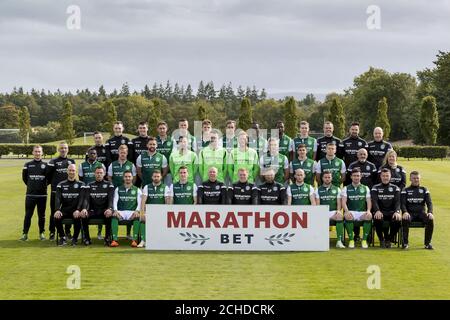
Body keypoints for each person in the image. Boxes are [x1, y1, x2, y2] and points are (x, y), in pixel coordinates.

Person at [47, 142, 76, 240]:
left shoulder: (71, 161)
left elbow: (73, 175)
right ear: (58, 150)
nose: (63, 150)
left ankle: (67, 231)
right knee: (54, 212)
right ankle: (52, 231)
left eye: (65, 148)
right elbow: (48, 176)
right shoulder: (53, 161)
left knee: (69, 211)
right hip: (56, 192)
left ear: (68, 149)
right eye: (62, 148)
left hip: (69, 193)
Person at [20, 145, 49, 241]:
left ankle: (42, 233)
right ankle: (25, 234)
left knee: (42, 215)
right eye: (36, 151)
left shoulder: (46, 165)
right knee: (28, 215)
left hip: (42, 195)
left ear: (42, 153)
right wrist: (31, 186)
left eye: (39, 151)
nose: (37, 153)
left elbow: (48, 179)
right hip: (30, 195)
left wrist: (42, 186)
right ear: (33, 153)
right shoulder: (27, 164)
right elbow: (25, 178)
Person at [53, 164, 86, 246]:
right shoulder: (61, 184)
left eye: (73, 170)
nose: (71, 172)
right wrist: (57, 210)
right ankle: (62, 237)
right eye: (70, 170)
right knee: (56, 217)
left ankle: (74, 239)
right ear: (67, 171)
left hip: (75, 210)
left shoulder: (81, 184)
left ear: (76, 172)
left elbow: (82, 199)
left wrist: (78, 210)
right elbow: (57, 199)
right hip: (65, 210)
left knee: (77, 217)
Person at [401, 171, 434, 250]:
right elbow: (403, 204)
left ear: (420, 179)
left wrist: (430, 212)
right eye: (414, 178)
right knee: (405, 219)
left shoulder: (424, 190)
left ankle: (427, 243)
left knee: (430, 219)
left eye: (417, 178)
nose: (416, 180)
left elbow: (429, 203)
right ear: (410, 179)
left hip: (421, 213)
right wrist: (405, 212)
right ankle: (405, 243)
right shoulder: (405, 190)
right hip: (410, 213)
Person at [341, 168, 372, 249]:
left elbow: (368, 201)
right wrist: (346, 211)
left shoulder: (365, 188)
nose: (356, 177)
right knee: (348, 216)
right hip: (351, 211)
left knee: (369, 216)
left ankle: (364, 240)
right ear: (351, 177)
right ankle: (351, 240)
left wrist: (368, 211)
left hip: (362, 212)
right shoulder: (346, 188)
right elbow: (343, 202)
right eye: (354, 176)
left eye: (358, 176)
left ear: (361, 176)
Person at [83, 166, 115, 246]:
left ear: (104, 174)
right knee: (84, 215)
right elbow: (86, 199)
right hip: (93, 210)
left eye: (101, 173)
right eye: (97, 173)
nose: (99, 174)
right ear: (94, 174)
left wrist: (110, 209)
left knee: (109, 215)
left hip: (104, 210)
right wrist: (84, 209)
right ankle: (87, 238)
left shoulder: (109, 185)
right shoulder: (89, 185)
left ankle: (107, 238)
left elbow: (111, 199)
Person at [371, 168, 402, 248]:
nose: (385, 178)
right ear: (380, 177)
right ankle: (381, 240)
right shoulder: (375, 187)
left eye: (387, 176)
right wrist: (377, 211)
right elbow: (374, 201)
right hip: (380, 212)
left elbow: (397, 202)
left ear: (390, 176)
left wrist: (397, 211)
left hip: (392, 212)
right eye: (383, 176)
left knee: (397, 220)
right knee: (377, 219)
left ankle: (389, 239)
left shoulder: (396, 188)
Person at [110, 171, 142, 247]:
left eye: (129, 176)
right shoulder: (118, 189)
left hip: (132, 212)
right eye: (126, 177)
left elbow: (140, 203)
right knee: (114, 216)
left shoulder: (137, 190)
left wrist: (137, 211)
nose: (128, 178)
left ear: (132, 178)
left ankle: (134, 240)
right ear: (123, 178)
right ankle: (114, 240)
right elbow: (115, 200)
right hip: (121, 211)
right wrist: (115, 210)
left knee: (137, 217)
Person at [140, 170, 170, 248]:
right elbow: (143, 201)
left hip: (161, 212)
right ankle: (143, 240)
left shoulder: (165, 187)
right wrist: (142, 213)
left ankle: (161, 240)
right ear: (152, 177)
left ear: (161, 177)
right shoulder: (147, 187)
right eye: (154, 176)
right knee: (143, 219)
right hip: (149, 212)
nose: (156, 178)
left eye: (158, 176)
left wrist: (166, 213)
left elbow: (167, 202)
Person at [315, 171, 345, 248]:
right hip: (322, 212)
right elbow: (317, 204)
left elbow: (339, 203)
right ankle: (320, 240)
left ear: (331, 178)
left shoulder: (337, 189)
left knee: (340, 216)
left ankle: (339, 241)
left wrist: (338, 211)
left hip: (333, 212)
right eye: (325, 177)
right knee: (317, 217)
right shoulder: (318, 190)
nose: (327, 179)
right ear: (322, 178)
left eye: (329, 177)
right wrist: (320, 213)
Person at [130, 121, 150, 187]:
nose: (142, 130)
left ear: (147, 129)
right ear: (138, 129)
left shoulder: (152, 140)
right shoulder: (133, 141)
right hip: (136, 171)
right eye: (140, 128)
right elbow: (130, 156)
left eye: (144, 128)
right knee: (135, 190)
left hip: (148, 170)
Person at [156, 121, 174, 186]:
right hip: (156, 171)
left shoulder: (172, 140)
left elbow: (174, 156)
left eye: (163, 128)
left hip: (168, 171)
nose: (162, 130)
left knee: (167, 190)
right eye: (160, 128)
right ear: (157, 129)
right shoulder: (154, 140)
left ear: (167, 129)